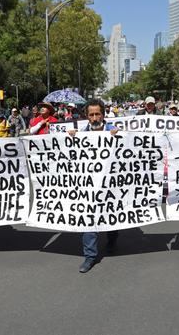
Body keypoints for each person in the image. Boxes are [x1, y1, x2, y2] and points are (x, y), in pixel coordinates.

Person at [68, 99, 119, 273]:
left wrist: (118, 137)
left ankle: (112, 240)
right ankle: (90, 256)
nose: (95, 117)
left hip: (110, 185)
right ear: (87, 116)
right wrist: (71, 139)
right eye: (91, 114)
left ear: (103, 114)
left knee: (111, 219)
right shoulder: (82, 133)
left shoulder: (113, 130)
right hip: (90, 186)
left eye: (98, 114)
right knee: (89, 219)